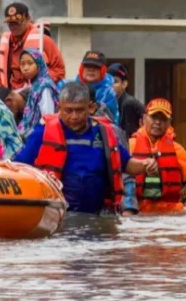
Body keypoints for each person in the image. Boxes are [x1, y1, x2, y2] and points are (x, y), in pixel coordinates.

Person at [14, 81, 156, 215]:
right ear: (59, 107)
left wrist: (145, 165)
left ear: (91, 108)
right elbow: (19, 165)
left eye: (79, 110)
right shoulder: (44, 131)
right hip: (58, 215)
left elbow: (127, 164)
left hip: (98, 215)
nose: (74, 116)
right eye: (68, 111)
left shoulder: (104, 133)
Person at [0, 2, 66, 91]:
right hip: (11, 97)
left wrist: (39, 84)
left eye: (17, 23)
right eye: (10, 23)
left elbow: (59, 70)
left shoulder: (43, 40)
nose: (13, 27)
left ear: (28, 18)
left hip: (37, 93)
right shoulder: (5, 44)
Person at [66, 50, 120, 124]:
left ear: (103, 70)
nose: (91, 70)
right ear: (81, 68)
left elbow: (111, 121)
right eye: (87, 66)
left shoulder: (109, 93)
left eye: (96, 67)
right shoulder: (68, 87)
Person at [17, 48, 59, 136]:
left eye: (30, 63)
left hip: (40, 137)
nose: (25, 68)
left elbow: (48, 118)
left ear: (39, 64)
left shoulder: (44, 87)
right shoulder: (35, 85)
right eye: (22, 64)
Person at [108, 63, 143, 138]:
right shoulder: (107, 102)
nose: (110, 85)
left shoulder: (129, 103)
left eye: (115, 82)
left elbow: (128, 137)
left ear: (124, 84)